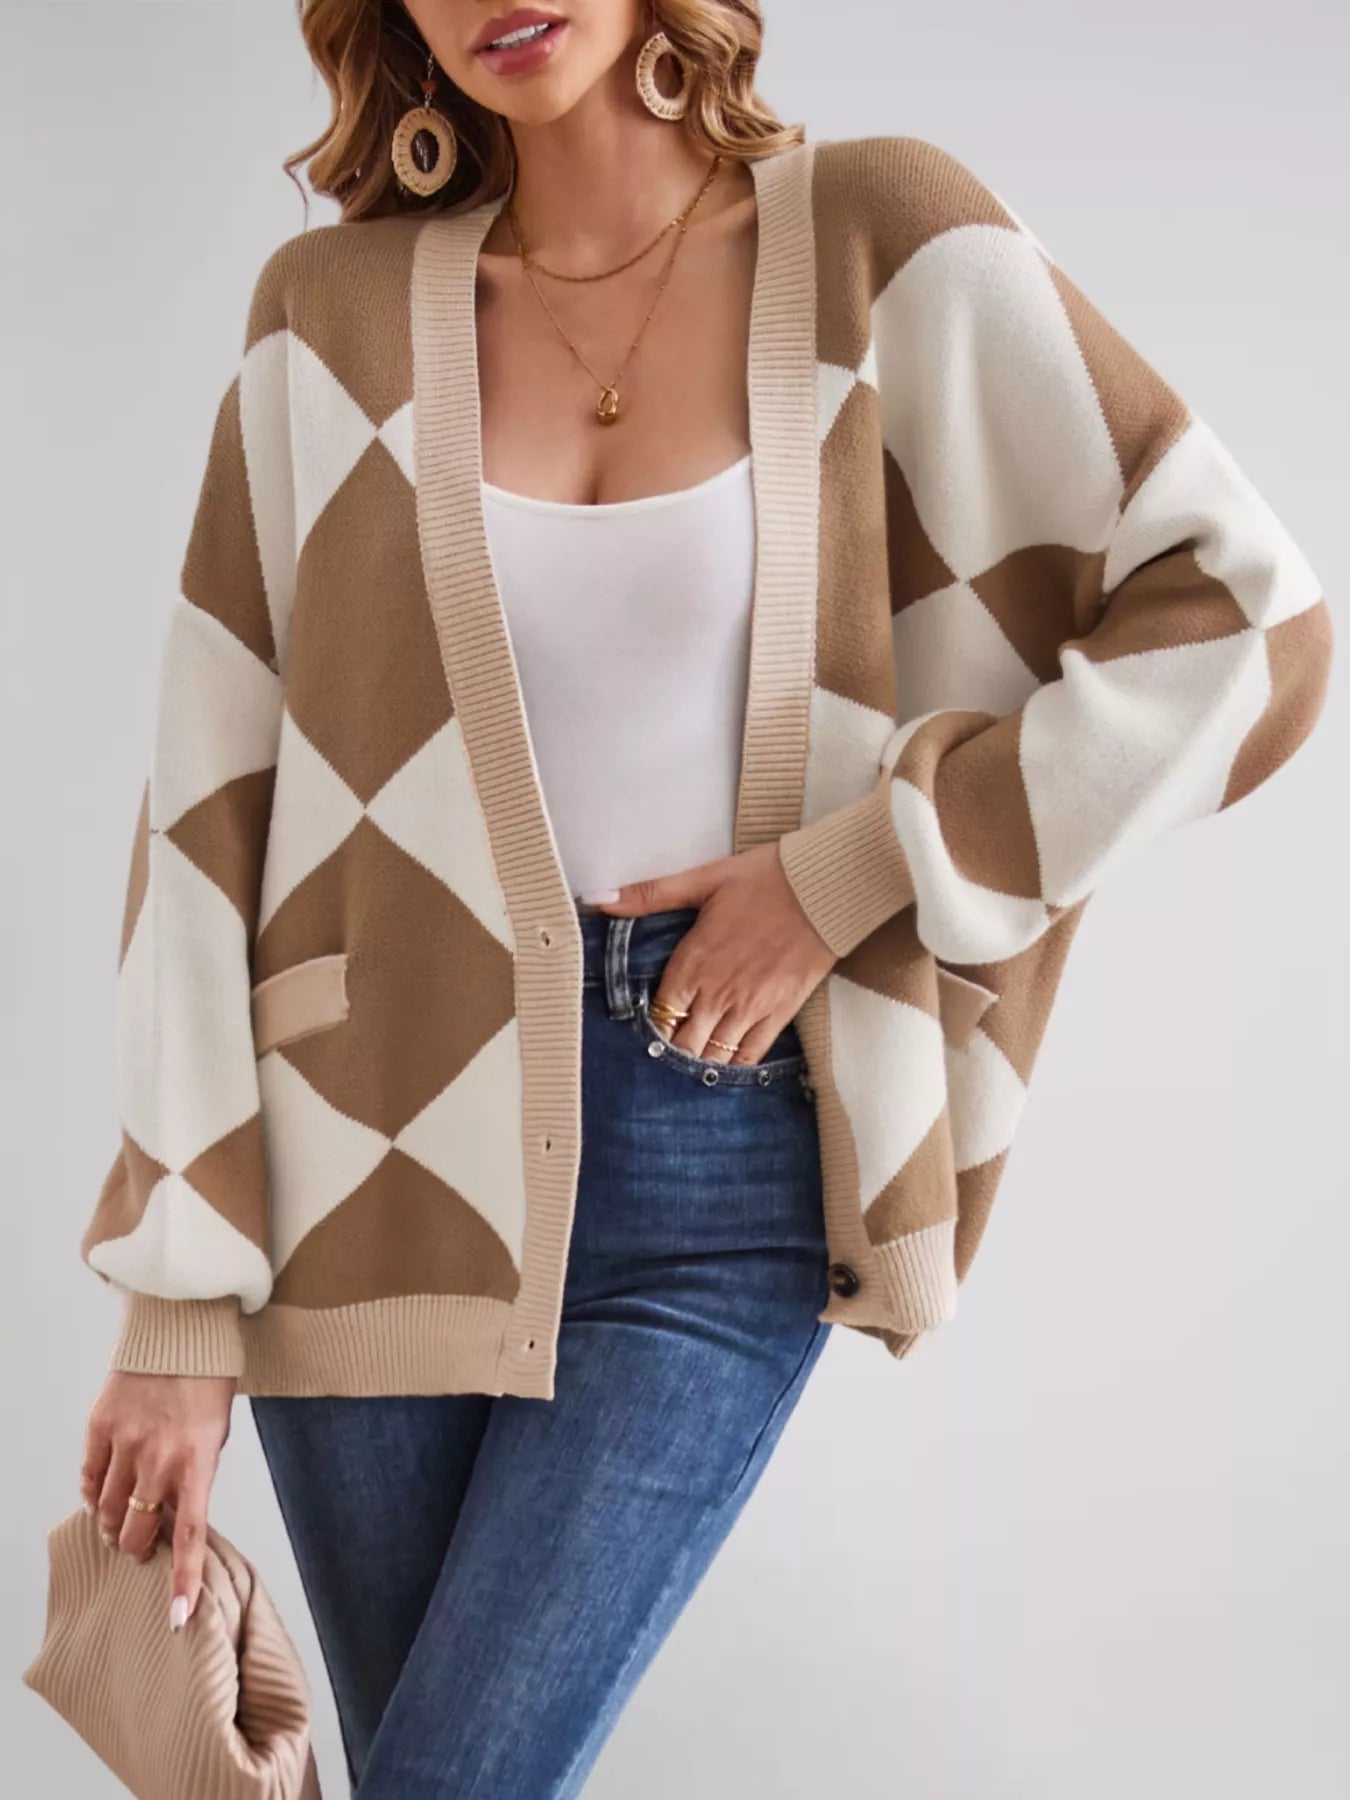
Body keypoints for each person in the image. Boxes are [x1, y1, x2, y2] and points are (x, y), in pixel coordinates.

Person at [75, 3, 1334, 1796]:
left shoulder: (885, 236)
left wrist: (854, 873)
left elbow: (1250, 630)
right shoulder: (324, 319)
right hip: (358, 1168)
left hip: (717, 1147)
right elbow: (207, 811)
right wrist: (176, 1308)